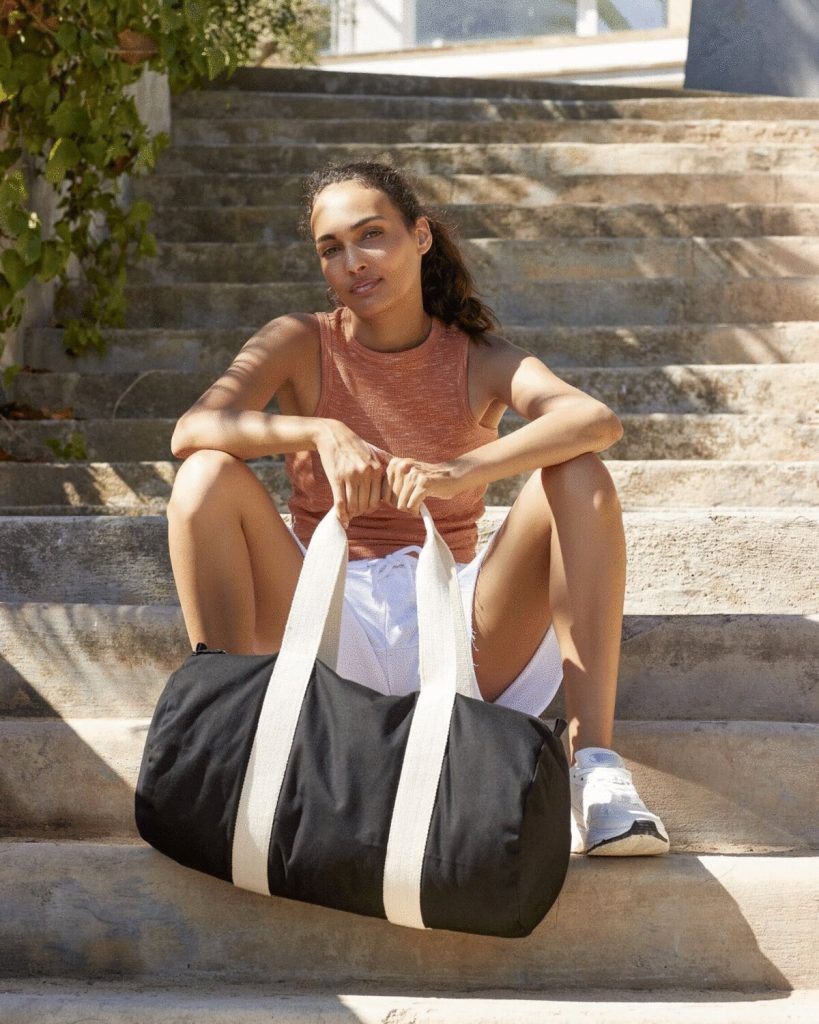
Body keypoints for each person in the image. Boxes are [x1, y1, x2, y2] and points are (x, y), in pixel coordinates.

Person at [167, 158, 669, 858]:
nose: (352, 262)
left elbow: (593, 420)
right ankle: (227, 742)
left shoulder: (477, 356)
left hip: (455, 622)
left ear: (420, 237)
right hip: (321, 614)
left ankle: (596, 773)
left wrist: (454, 472)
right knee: (204, 477)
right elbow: (192, 430)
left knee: (578, 472)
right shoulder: (298, 339)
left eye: (370, 236)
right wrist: (317, 429)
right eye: (330, 248)